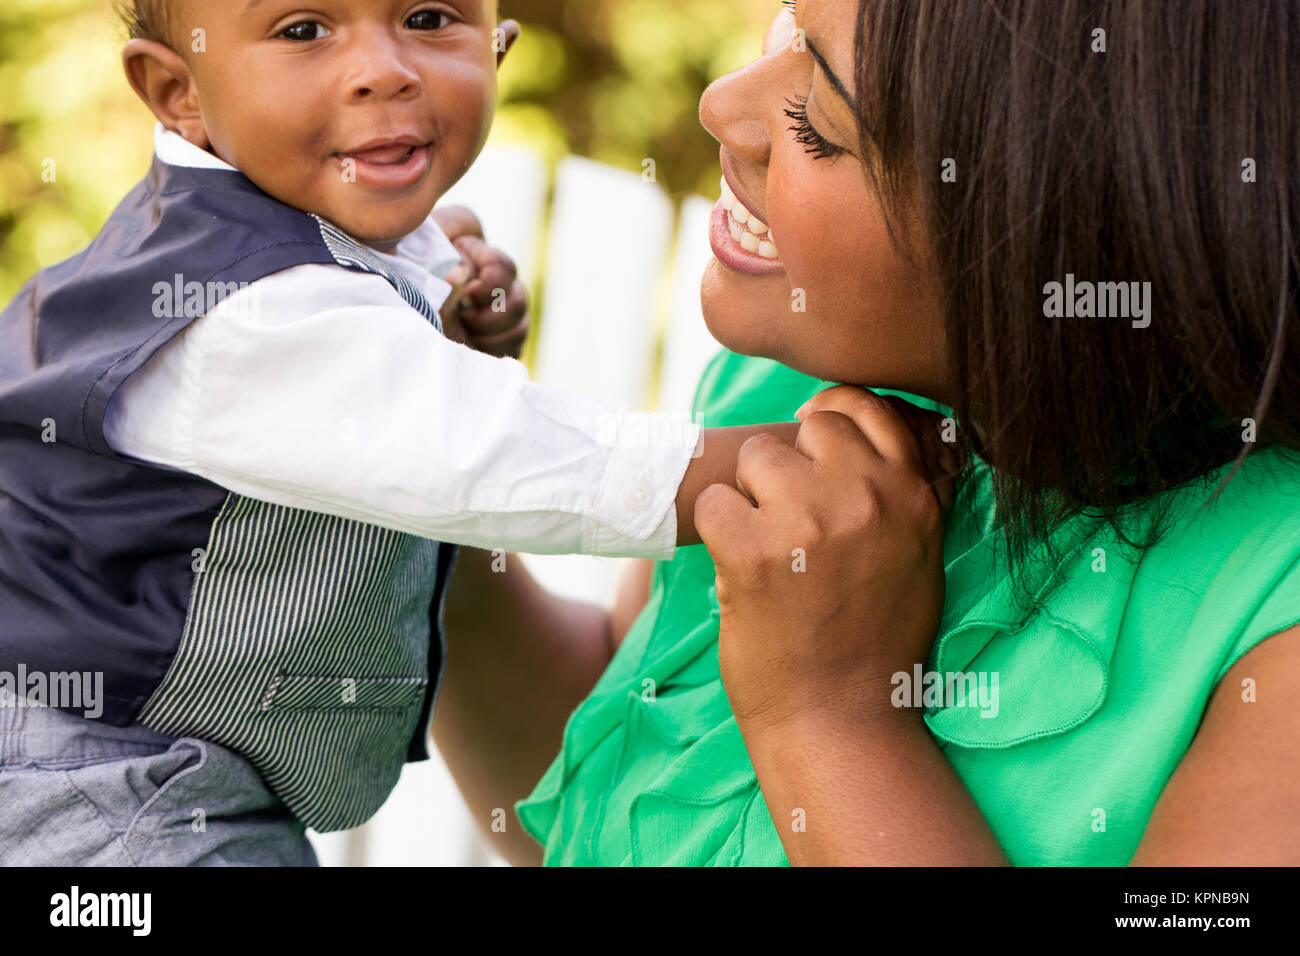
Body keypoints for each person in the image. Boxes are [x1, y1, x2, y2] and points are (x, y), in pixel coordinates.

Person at [435, 0, 1300, 865]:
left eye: (818, 121)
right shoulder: (787, 384)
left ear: (1071, 225)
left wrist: (829, 718)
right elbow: (611, 798)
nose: (722, 105)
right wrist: (436, 475)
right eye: (788, 23)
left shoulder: (1273, 628)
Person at [0, 0, 811, 865]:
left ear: (497, 46)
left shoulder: (246, 234)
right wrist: (798, 468)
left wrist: (431, 294)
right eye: (303, 30)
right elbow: (518, 459)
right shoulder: (251, 310)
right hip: (101, 788)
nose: (383, 70)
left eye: (427, 17)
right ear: (178, 91)